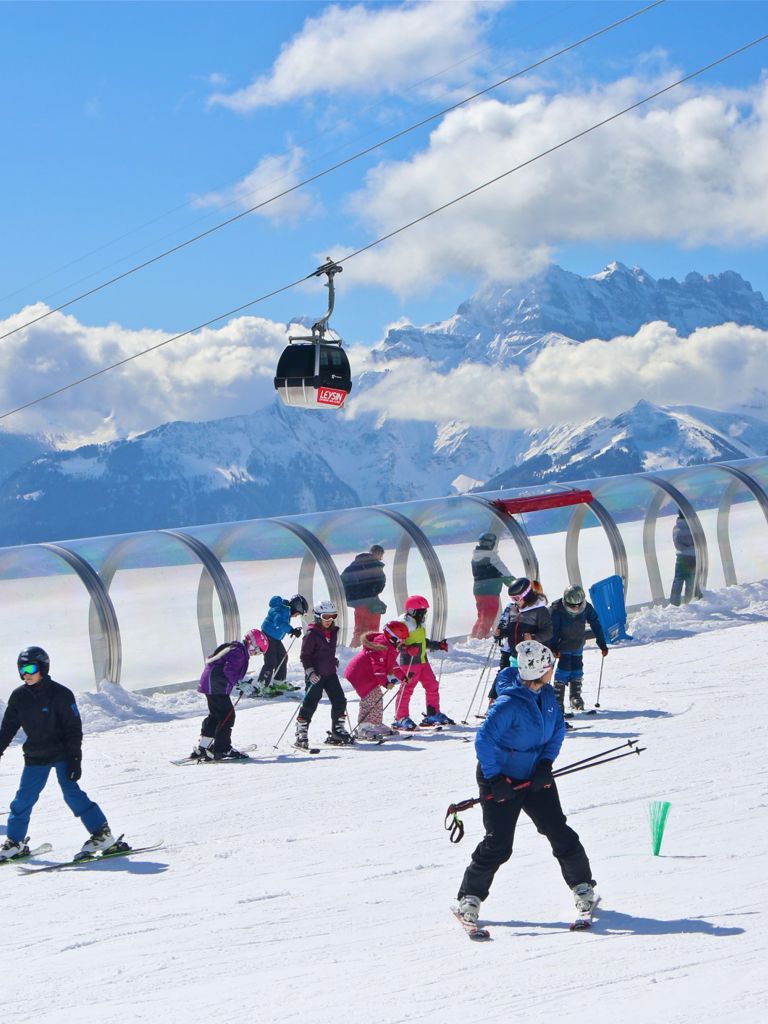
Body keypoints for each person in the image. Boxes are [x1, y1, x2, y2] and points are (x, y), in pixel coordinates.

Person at [456, 640, 597, 926]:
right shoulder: (509, 702)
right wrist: (495, 779)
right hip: (501, 778)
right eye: (550, 667)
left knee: (557, 829)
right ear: (541, 670)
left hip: (534, 775)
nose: (552, 671)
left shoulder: (547, 697)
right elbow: (484, 741)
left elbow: (557, 731)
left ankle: (583, 887)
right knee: (499, 843)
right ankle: (469, 897)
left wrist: (545, 764)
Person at [0, 646, 126, 862]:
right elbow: (8, 727)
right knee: (23, 799)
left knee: (72, 793)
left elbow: (73, 729)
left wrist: (75, 758)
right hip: (36, 755)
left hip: (62, 754)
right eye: (21, 669)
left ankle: (102, 834)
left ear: (43, 667)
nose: (26, 674)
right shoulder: (19, 696)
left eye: (30, 668)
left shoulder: (61, 694)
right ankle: (14, 842)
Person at [191, 628, 268, 761]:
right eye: (257, 650)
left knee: (216, 715)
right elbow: (229, 670)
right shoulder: (238, 652)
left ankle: (203, 747)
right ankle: (222, 749)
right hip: (215, 685)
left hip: (211, 684)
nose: (255, 653)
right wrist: (241, 683)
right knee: (228, 715)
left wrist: (241, 682)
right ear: (253, 644)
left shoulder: (235, 648)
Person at [296, 600, 353, 748]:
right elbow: (305, 656)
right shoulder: (311, 634)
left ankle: (337, 729)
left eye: (333, 616)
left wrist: (332, 660)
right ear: (317, 616)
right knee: (311, 703)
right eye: (326, 617)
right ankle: (301, 732)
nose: (329, 620)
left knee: (340, 700)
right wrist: (310, 672)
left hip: (330, 673)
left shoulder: (333, 632)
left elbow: (325, 651)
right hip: (316, 676)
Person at [392, 595, 452, 730]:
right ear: (412, 611)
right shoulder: (403, 623)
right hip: (410, 661)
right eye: (421, 612)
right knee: (407, 688)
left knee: (432, 685)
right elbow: (394, 641)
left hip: (422, 660)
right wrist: (407, 648)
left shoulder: (418, 623)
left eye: (424, 612)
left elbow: (422, 641)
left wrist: (438, 645)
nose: (424, 615)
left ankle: (433, 713)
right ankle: (400, 717)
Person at [344, 620, 411, 739]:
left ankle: (375, 724)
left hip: (368, 674)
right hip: (360, 673)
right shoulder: (381, 646)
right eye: (401, 638)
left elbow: (391, 664)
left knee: (377, 698)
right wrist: (385, 683)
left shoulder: (389, 646)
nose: (403, 641)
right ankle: (363, 728)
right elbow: (378, 667)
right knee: (371, 698)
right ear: (394, 637)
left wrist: (402, 676)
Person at [489, 578, 552, 701]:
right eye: (512, 599)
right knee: (515, 687)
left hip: (532, 660)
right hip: (515, 656)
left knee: (530, 688)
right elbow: (512, 630)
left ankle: (537, 709)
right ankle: (513, 712)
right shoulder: (514, 609)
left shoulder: (540, 611)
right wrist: (501, 633)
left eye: (516, 598)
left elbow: (548, 632)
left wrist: (533, 637)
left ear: (526, 594)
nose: (515, 602)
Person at [550, 584, 608, 714]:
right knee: (564, 669)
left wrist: (602, 644)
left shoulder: (586, 607)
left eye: (578, 605)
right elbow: (552, 631)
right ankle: (557, 700)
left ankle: (575, 697)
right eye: (572, 606)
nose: (575, 609)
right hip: (562, 644)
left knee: (577, 668)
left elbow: (595, 624)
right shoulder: (556, 609)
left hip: (577, 643)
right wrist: (553, 647)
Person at [258, 594, 308, 693]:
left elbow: (281, 624)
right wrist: (291, 630)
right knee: (271, 661)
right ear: (296, 607)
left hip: (275, 638)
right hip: (267, 637)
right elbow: (279, 623)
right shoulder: (281, 610)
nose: (297, 616)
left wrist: (292, 630)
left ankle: (278, 682)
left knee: (282, 657)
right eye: (298, 613)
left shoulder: (286, 610)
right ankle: (262, 686)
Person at [340, 545, 387, 646]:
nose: (379, 556)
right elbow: (380, 584)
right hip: (369, 600)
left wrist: (354, 595)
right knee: (371, 629)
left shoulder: (357, 563)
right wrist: (370, 591)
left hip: (360, 601)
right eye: (379, 553)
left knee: (361, 629)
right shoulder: (375, 566)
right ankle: (369, 650)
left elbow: (343, 579)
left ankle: (354, 650)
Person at [470, 533, 514, 639]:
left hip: (478, 590)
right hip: (490, 590)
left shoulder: (475, 557)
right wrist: (515, 585)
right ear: (492, 544)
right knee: (488, 616)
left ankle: (475, 636)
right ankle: (479, 637)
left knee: (482, 615)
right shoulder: (492, 558)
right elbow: (504, 573)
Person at [670, 512, 701, 606]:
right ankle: (690, 601)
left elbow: (677, 543)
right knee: (691, 580)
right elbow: (696, 541)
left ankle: (674, 603)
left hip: (681, 557)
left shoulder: (676, 528)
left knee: (678, 581)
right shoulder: (691, 527)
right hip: (692, 556)